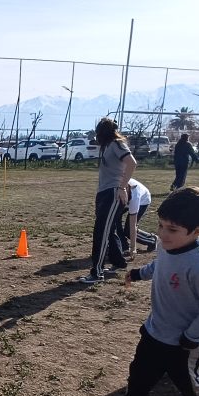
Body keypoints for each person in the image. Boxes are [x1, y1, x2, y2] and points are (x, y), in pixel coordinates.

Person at [104, 186, 199, 396]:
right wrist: (139, 273)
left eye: (172, 229)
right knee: (138, 380)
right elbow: (159, 265)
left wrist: (193, 335)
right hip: (155, 332)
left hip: (185, 344)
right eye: (161, 225)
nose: (163, 234)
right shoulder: (167, 246)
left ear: (198, 231)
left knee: (190, 386)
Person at [79, 117, 135, 283]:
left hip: (113, 193)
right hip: (104, 193)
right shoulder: (107, 147)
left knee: (101, 232)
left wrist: (122, 187)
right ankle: (118, 262)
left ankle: (97, 273)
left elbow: (131, 163)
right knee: (108, 231)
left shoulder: (117, 144)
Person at [116, 177, 157, 257]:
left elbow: (133, 225)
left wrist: (133, 248)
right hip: (128, 199)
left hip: (143, 201)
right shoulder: (116, 189)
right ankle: (124, 247)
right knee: (114, 220)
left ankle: (151, 241)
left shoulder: (135, 197)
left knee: (128, 231)